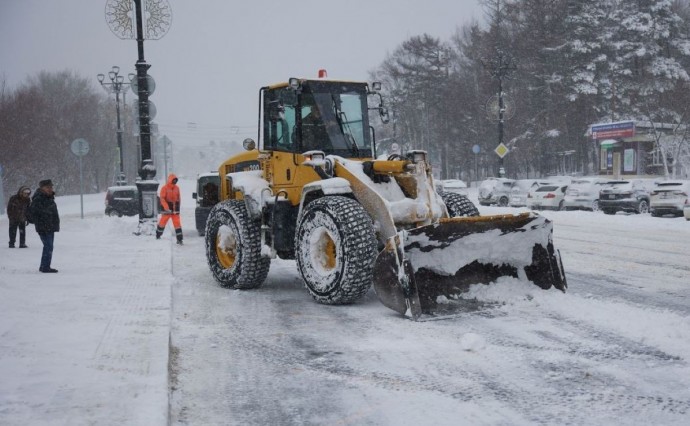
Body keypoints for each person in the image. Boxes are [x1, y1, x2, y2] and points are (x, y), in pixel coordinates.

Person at [26, 179, 60, 273]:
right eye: (48, 187)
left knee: (49, 247)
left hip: (50, 226)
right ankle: (45, 267)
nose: (50, 189)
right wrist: (42, 221)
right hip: (44, 227)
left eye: (51, 187)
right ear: (42, 188)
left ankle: (44, 266)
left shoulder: (48, 197)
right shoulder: (39, 198)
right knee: (48, 246)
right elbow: (32, 214)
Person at [156, 173, 183, 244]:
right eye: (173, 180)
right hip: (167, 210)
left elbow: (178, 198)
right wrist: (166, 207)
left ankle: (179, 239)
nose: (174, 181)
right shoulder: (164, 188)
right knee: (162, 222)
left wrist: (178, 208)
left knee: (177, 224)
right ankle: (158, 235)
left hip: (175, 210)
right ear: (170, 180)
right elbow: (162, 199)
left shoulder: (177, 188)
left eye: (175, 180)